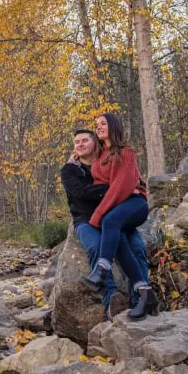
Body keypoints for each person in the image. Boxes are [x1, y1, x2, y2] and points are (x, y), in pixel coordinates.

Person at [60, 129, 149, 320]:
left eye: (85, 140)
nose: (80, 144)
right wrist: (118, 188)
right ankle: (111, 299)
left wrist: (126, 186)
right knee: (96, 247)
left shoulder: (108, 161)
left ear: (96, 144)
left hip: (116, 217)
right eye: (76, 142)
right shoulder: (70, 170)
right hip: (86, 220)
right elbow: (83, 193)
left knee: (138, 248)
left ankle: (140, 299)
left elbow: (134, 180)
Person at [83, 113, 158, 319]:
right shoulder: (99, 157)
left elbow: (118, 187)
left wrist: (97, 216)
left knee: (109, 221)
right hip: (119, 206)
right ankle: (145, 294)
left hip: (135, 204)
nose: (98, 127)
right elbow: (100, 186)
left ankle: (102, 268)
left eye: (103, 123)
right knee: (119, 240)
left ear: (113, 126)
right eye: (96, 125)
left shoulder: (126, 152)